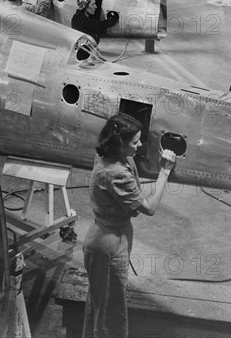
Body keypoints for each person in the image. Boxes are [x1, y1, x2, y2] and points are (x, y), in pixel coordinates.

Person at [82, 113, 176, 338]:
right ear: (119, 144)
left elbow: (132, 176)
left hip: (111, 237)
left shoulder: (113, 156)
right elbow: (149, 208)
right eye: (135, 142)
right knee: (109, 314)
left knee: (103, 303)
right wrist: (164, 172)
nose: (140, 145)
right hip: (108, 245)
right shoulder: (115, 173)